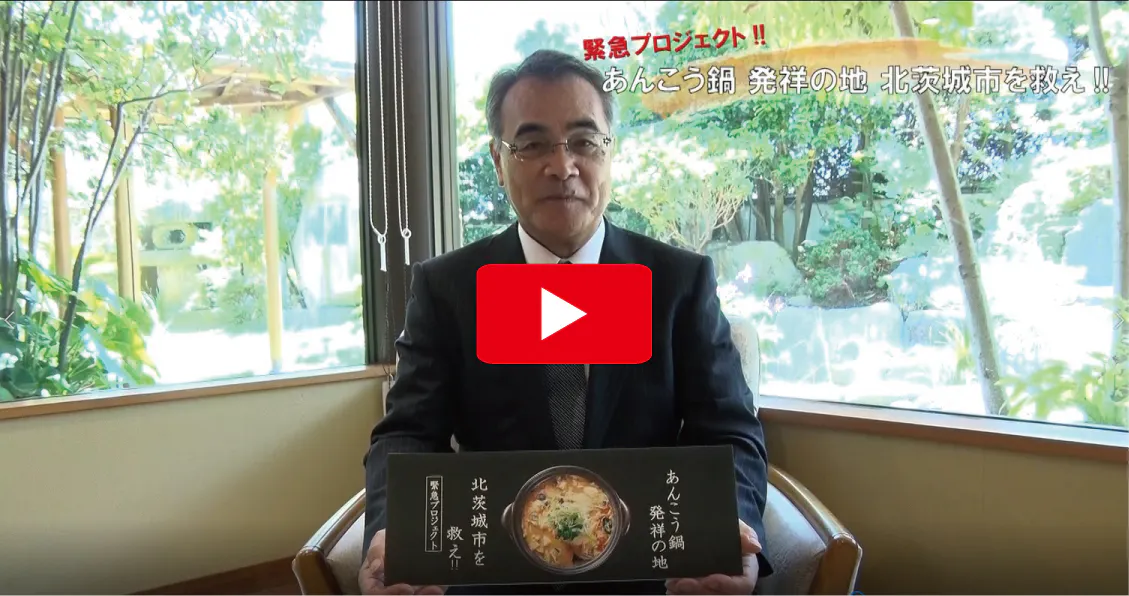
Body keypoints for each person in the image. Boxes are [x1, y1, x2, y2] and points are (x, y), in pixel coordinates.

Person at [360, 49, 772, 596]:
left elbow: (730, 431)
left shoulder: (679, 282)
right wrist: (393, 530)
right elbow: (408, 432)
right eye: (532, 145)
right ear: (498, 160)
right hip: (494, 578)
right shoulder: (447, 289)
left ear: (610, 151)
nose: (562, 166)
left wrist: (728, 526)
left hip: (654, 579)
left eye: (583, 140)